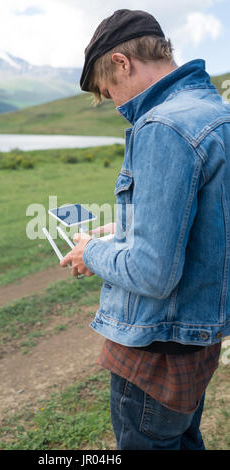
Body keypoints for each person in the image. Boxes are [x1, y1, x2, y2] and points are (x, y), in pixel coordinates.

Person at [60, 9, 230, 450]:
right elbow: (202, 223)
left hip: (155, 350)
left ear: (122, 62)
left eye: (109, 90)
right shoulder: (216, 112)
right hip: (195, 343)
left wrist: (90, 253)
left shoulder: (162, 126)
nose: (117, 105)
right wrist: (126, 226)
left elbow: (153, 273)